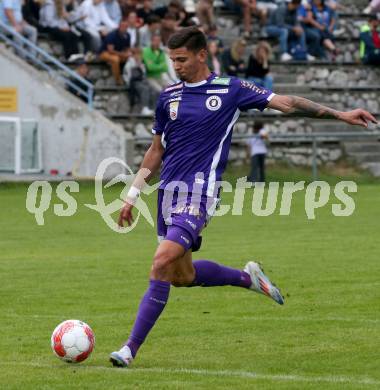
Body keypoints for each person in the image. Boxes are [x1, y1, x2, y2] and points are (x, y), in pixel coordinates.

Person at [109, 26, 377, 368]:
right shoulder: (169, 97)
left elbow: (287, 103)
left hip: (200, 192)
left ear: (202, 55)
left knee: (160, 263)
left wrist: (340, 115)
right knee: (181, 276)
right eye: (173, 60)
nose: (176, 66)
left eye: (182, 59)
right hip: (166, 195)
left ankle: (128, 350)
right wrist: (132, 194)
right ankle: (248, 278)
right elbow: (155, 150)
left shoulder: (231, 89)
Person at [123, 47, 155, 115]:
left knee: (152, 89)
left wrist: (141, 67)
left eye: (140, 55)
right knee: (145, 89)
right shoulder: (130, 63)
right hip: (133, 82)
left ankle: (153, 108)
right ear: (133, 55)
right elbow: (129, 76)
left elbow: (144, 75)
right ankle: (144, 108)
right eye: (136, 55)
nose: (138, 56)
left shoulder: (141, 63)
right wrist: (137, 66)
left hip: (141, 81)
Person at [98, 18, 131, 85]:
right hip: (104, 53)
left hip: (118, 53)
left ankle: (127, 77)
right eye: (122, 26)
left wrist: (128, 53)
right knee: (115, 59)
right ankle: (117, 79)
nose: (124, 28)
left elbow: (127, 47)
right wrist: (123, 54)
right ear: (119, 26)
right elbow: (110, 50)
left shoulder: (127, 35)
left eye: (126, 26)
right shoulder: (112, 35)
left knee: (130, 58)